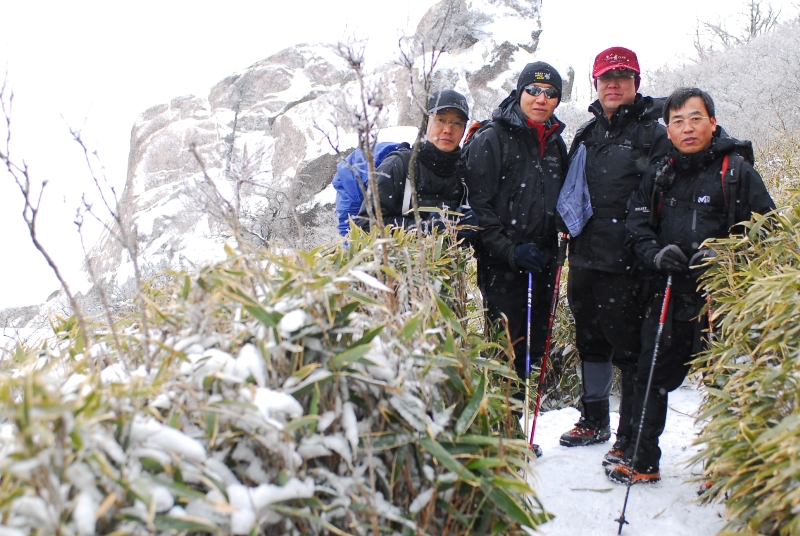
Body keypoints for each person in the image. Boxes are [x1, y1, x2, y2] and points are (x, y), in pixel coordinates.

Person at [609, 87, 775, 484]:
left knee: (729, 382)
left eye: (695, 118)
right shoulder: (659, 171)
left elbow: (768, 230)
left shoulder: (735, 171)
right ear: (667, 129)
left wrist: (727, 257)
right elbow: (637, 225)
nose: (687, 128)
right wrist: (655, 254)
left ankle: (730, 466)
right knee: (652, 376)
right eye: (677, 121)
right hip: (667, 292)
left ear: (712, 122)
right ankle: (643, 461)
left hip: (722, 299)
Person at [557, 48, 670, 461]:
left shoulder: (654, 133)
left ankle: (628, 435)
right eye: (607, 78)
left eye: (623, 77)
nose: (614, 85)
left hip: (628, 264)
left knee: (629, 351)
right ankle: (594, 419)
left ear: (636, 83)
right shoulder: (586, 134)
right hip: (583, 257)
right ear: (596, 84)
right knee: (590, 342)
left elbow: (665, 198)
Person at [463, 62, 567, 410]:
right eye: (533, 90)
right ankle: (502, 432)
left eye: (550, 93)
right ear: (519, 92)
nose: (541, 98)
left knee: (532, 347)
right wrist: (510, 250)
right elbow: (479, 207)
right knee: (505, 347)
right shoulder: (491, 138)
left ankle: (515, 426)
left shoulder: (555, 142)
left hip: (543, 262)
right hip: (502, 265)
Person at [357, 90, 476, 235]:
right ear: (426, 122)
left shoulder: (463, 173)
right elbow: (366, 224)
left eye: (457, 123)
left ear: (464, 129)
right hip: (398, 256)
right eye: (441, 120)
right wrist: (424, 229)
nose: (448, 129)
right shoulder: (399, 166)